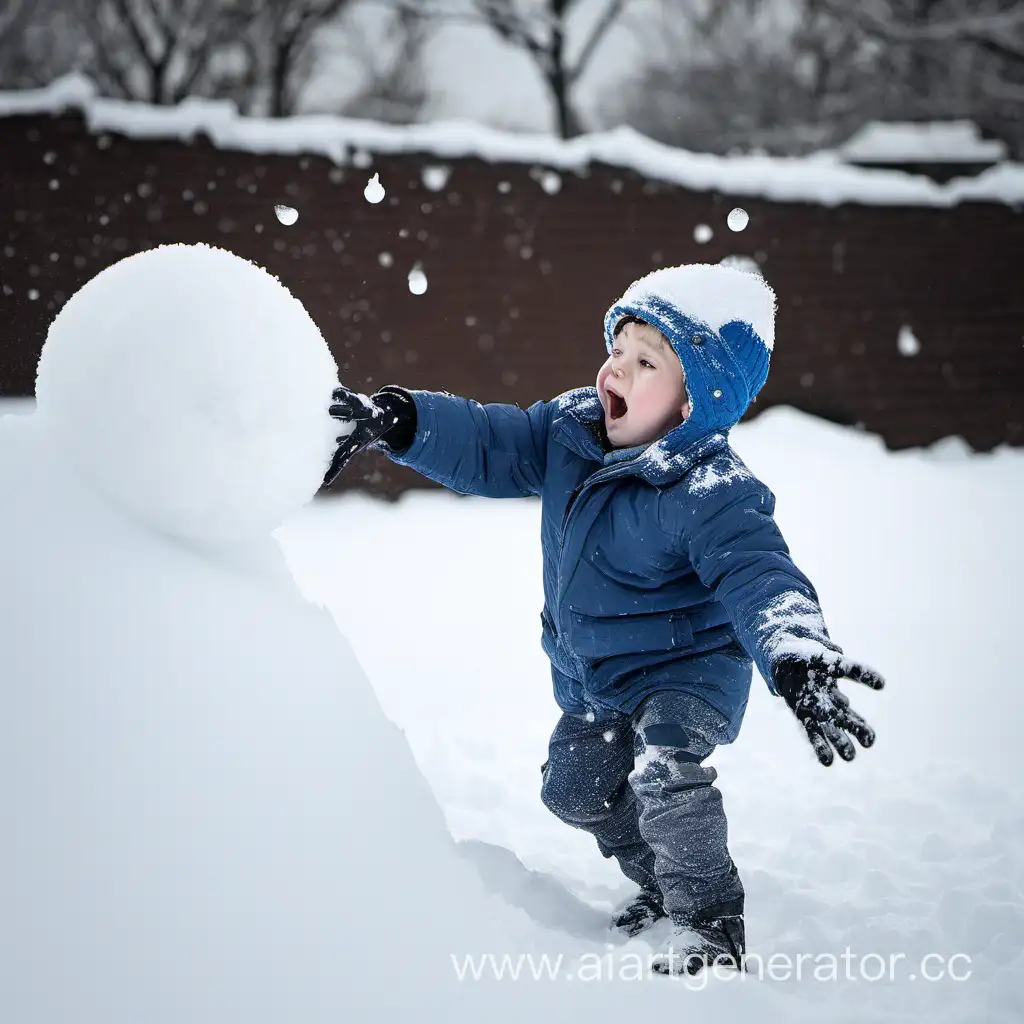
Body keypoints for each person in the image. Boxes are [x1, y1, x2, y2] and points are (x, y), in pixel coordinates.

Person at [323, 263, 885, 977]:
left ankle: (710, 923)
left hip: (686, 672)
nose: (615, 371)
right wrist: (404, 423)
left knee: (665, 768)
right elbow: (493, 442)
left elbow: (757, 569)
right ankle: (661, 878)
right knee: (573, 791)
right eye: (618, 350)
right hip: (597, 674)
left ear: (691, 405)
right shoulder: (568, 431)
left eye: (646, 362)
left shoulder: (712, 487)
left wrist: (794, 649)